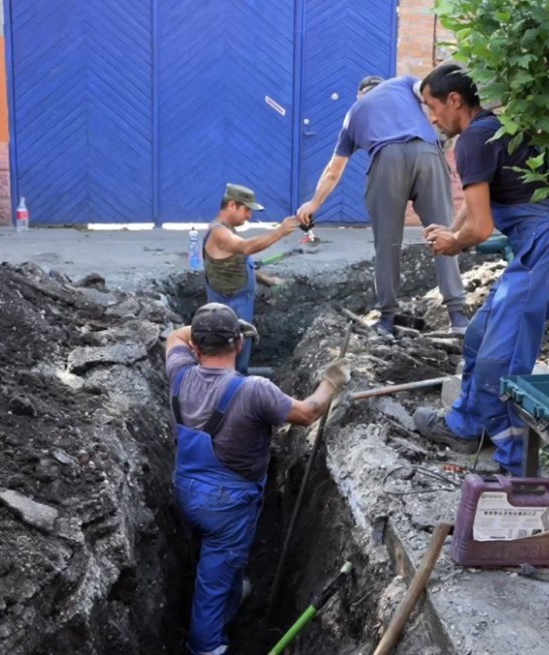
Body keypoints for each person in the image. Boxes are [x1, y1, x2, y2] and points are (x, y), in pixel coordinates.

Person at [410, 62, 549, 475]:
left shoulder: (471, 141)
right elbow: (474, 211)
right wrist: (448, 230)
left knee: (502, 360)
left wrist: (455, 242)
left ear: (455, 101)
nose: (431, 118)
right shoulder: (493, 129)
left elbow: (482, 226)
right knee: (479, 336)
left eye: (432, 107)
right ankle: (466, 426)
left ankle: (515, 467)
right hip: (540, 245)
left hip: (545, 249)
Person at [166, 303, 350, 655]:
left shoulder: (180, 372)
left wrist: (207, 326)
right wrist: (331, 381)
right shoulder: (255, 390)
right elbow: (309, 412)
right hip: (228, 504)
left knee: (214, 562)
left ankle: (232, 592)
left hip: (186, 489)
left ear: (197, 347)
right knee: (212, 583)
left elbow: (176, 335)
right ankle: (206, 647)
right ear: (239, 344)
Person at [296, 75, 468, 337]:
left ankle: (387, 320)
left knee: (387, 243)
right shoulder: (403, 84)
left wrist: (314, 203)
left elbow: (334, 170)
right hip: (428, 153)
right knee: (444, 232)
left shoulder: (354, 113)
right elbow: (433, 97)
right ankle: (458, 316)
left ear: (361, 95)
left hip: (387, 160)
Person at [203, 183, 300, 374]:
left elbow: (236, 263)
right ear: (232, 205)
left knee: (240, 353)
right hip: (230, 309)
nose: (250, 215)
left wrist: (267, 279)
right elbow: (247, 247)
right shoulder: (219, 233)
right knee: (231, 356)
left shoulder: (227, 230)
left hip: (238, 303)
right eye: (247, 210)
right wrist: (280, 231)